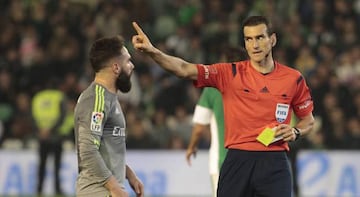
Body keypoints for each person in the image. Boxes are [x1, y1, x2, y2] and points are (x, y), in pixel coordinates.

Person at [132, 15, 315, 197]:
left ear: (272, 39)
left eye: (260, 37)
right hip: (237, 160)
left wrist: (296, 132)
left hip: (274, 161)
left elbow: (308, 120)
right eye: (249, 39)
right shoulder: (229, 73)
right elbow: (184, 69)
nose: (255, 45)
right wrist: (152, 51)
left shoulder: (293, 78)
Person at [74, 35, 144, 197]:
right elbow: (88, 150)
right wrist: (114, 187)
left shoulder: (108, 98)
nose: (132, 66)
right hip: (98, 192)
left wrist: (129, 175)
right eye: (127, 61)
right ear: (116, 68)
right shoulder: (96, 99)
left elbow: (107, 150)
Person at [186, 46, 248, 197]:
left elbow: (200, 127)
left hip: (222, 161)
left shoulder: (212, 88)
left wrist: (191, 147)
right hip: (250, 161)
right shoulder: (253, 87)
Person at [31, 79, 67, 195]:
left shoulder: (37, 97)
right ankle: (57, 189)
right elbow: (63, 115)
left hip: (42, 136)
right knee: (57, 165)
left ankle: (39, 189)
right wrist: (51, 130)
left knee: (42, 164)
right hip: (56, 136)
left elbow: (32, 116)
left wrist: (40, 130)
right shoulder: (59, 96)